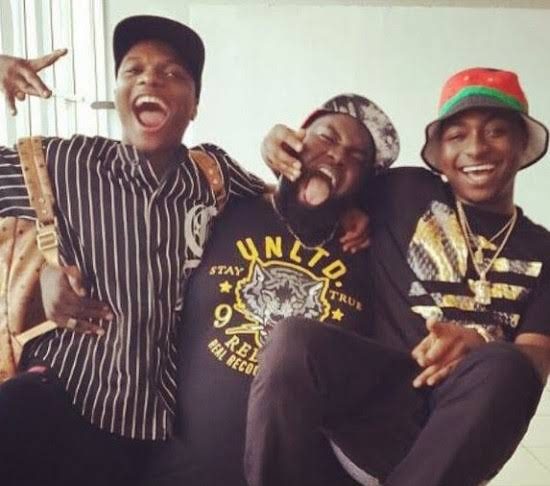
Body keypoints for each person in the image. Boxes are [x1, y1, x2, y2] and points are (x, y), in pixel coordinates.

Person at [39, 93, 400, 486]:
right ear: (294, 140)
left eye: (357, 157)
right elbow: (128, 239)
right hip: (179, 472)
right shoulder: (224, 207)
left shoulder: (371, 251)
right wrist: (49, 271)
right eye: (328, 137)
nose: (338, 156)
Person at [245, 67, 550, 486]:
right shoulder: (403, 189)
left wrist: (481, 345)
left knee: (507, 364)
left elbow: (537, 360)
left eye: (497, 132)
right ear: (440, 154)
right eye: (457, 135)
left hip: (459, 430)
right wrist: (278, 153)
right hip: (374, 405)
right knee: (292, 339)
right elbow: (323, 184)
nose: (476, 147)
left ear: (521, 146)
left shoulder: (543, 249)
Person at [0, 15, 265, 486]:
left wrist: (343, 204)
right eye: (133, 70)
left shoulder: (212, 176)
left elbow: (285, 207)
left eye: (172, 72)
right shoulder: (66, 162)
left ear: (194, 105)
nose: (149, 79)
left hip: (151, 428)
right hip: (59, 398)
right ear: (119, 94)